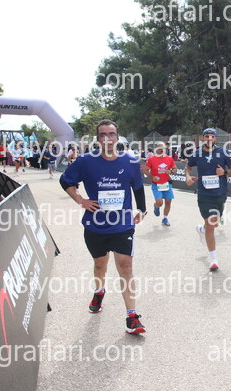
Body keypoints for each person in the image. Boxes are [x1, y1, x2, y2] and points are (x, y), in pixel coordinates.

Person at [59, 119, 147, 334]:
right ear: (97, 138)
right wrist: (81, 200)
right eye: (103, 135)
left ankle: (132, 316)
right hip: (95, 225)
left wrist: (141, 209)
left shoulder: (130, 161)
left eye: (111, 134)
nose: (107, 138)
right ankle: (99, 291)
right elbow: (65, 181)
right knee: (100, 265)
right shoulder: (86, 161)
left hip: (122, 224)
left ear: (117, 137)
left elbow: (138, 187)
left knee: (126, 266)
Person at [186, 128, 231, 271]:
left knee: (214, 224)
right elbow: (188, 167)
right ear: (203, 138)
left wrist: (224, 172)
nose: (209, 138)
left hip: (220, 193)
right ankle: (213, 259)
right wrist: (188, 177)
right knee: (211, 223)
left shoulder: (223, 152)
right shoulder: (197, 153)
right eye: (206, 136)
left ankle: (202, 230)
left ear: (215, 139)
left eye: (212, 136)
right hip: (204, 194)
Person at [143, 141, 177, 226]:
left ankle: (165, 218)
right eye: (159, 148)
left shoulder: (169, 158)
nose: (161, 150)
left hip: (166, 183)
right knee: (159, 202)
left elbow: (175, 169)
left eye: (163, 148)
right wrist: (152, 177)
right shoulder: (151, 159)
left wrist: (171, 171)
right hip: (156, 184)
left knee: (168, 201)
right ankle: (156, 206)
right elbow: (145, 170)